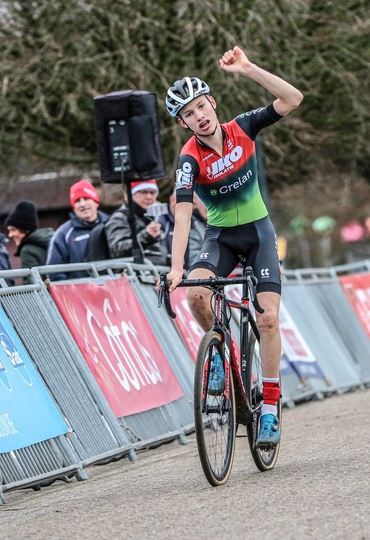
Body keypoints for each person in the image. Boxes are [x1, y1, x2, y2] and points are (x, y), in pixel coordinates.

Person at [163, 46, 303, 449]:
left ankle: (271, 408)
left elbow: (292, 99)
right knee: (196, 297)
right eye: (188, 114)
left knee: (269, 320)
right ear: (183, 122)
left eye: (202, 106)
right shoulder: (189, 159)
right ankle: (219, 356)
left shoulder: (244, 127)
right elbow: (185, 216)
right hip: (220, 238)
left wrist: (248, 69)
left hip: (258, 234)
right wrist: (176, 269)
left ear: (213, 103)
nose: (199, 116)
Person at [45, 179, 108, 281]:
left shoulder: (111, 225)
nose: (83, 204)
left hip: (113, 291)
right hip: (81, 294)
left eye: (86, 198)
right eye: (78, 201)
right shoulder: (63, 234)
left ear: (96, 202)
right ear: (74, 207)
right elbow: (54, 273)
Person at [104, 179, 168, 266]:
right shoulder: (120, 218)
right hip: (134, 275)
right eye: (143, 192)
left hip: (156, 273)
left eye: (152, 192)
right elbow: (117, 250)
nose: (149, 197)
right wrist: (146, 236)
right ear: (131, 195)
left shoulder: (151, 217)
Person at [5, 200, 54, 283]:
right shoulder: (54, 241)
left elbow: (31, 284)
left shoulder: (27, 250)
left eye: (13, 230)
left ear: (26, 230)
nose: (10, 235)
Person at [158, 192, 206, 270]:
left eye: (193, 203)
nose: (189, 206)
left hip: (186, 272)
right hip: (164, 271)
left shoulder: (195, 222)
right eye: (185, 201)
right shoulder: (158, 221)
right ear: (172, 199)